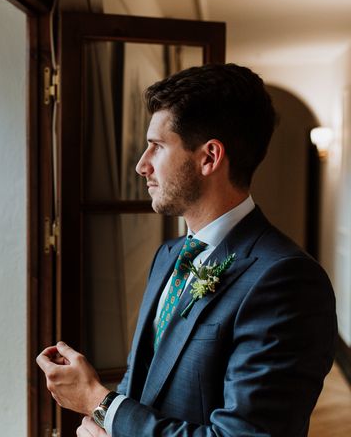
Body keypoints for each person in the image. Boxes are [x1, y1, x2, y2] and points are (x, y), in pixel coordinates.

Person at [37, 63, 337, 436]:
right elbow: (142, 379)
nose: (141, 165)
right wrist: (105, 424)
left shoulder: (288, 281)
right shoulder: (168, 256)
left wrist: (98, 402)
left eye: (157, 147)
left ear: (209, 157)